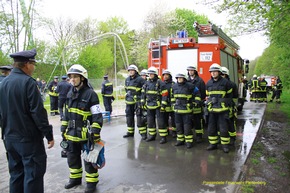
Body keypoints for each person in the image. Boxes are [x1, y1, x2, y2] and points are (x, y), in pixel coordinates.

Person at [0, 48, 54, 193]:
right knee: (33, 176)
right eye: (33, 64)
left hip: (9, 139)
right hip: (28, 140)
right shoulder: (28, 83)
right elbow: (38, 113)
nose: (33, 68)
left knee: (16, 175)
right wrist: (49, 135)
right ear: (27, 64)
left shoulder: (3, 84)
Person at [60, 64, 103, 193]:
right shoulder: (69, 93)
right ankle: (75, 179)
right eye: (71, 77)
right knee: (72, 158)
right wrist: (63, 129)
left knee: (89, 160)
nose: (72, 79)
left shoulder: (91, 95)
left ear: (82, 78)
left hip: (86, 135)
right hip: (71, 134)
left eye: (75, 77)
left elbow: (97, 115)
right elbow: (66, 113)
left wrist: (95, 132)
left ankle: (91, 183)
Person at [205, 63, 233, 153]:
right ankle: (213, 144)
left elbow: (230, 97)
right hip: (212, 110)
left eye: (215, 72)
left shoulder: (226, 83)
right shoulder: (208, 83)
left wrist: (229, 107)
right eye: (211, 72)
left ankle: (225, 145)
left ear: (219, 72)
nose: (213, 73)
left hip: (223, 110)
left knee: (223, 128)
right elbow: (207, 96)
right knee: (211, 128)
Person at [141, 66, 168, 143]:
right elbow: (143, 93)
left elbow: (165, 94)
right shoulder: (146, 83)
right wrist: (143, 102)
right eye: (149, 74)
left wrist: (163, 105)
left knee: (161, 122)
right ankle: (152, 135)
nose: (150, 75)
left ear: (155, 74)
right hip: (149, 105)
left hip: (158, 106)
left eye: (151, 74)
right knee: (150, 121)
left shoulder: (160, 83)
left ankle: (163, 137)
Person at [171, 72, 195, 148]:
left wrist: (193, 104)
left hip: (186, 110)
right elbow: (172, 97)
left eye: (181, 78)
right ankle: (180, 140)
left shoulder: (190, 86)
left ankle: (188, 141)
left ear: (184, 78)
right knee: (178, 126)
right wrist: (173, 104)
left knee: (187, 127)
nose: (179, 79)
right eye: (178, 78)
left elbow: (197, 95)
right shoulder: (174, 86)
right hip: (177, 110)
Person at [123, 64, 145, 138]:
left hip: (137, 101)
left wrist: (141, 98)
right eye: (130, 70)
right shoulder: (127, 79)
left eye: (132, 70)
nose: (131, 72)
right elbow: (126, 89)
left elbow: (145, 90)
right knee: (129, 117)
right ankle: (130, 132)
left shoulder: (140, 79)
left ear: (136, 71)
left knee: (139, 117)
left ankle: (143, 133)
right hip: (129, 101)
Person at [187, 65, 206, 143]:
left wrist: (199, 102)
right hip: (188, 105)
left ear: (195, 71)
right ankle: (190, 136)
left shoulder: (200, 81)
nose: (190, 72)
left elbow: (203, 93)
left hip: (197, 105)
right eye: (189, 70)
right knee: (188, 121)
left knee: (198, 121)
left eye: (192, 70)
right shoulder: (186, 80)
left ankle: (199, 136)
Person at [221, 66, 238, 145]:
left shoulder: (231, 84)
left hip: (229, 107)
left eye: (223, 75)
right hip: (220, 108)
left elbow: (235, 96)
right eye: (221, 74)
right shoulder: (219, 84)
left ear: (226, 75)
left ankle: (232, 137)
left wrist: (232, 105)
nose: (222, 76)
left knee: (230, 123)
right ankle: (222, 138)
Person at [160, 69, 177, 140]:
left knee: (174, 119)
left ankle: (174, 131)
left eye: (167, 75)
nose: (165, 76)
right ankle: (166, 130)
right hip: (164, 105)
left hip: (172, 105)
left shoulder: (173, 84)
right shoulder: (161, 84)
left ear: (169, 76)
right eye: (164, 75)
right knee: (164, 118)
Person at [136, 69, 148, 140]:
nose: (143, 77)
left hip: (147, 105)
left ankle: (146, 133)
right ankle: (142, 133)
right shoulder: (139, 84)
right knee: (139, 119)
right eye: (142, 75)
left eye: (144, 76)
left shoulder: (148, 84)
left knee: (146, 119)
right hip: (139, 104)